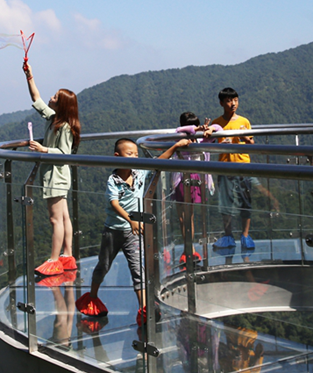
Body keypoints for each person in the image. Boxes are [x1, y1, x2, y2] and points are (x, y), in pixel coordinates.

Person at [76, 137, 191, 325]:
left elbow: (158, 161)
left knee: (138, 270)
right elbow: (113, 203)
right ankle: (92, 297)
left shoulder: (140, 172)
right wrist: (131, 220)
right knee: (103, 266)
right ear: (117, 156)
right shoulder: (112, 180)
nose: (134, 157)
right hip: (113, 231)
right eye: (129, 154)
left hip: (133, 233)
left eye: (136, 154)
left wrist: (176, 146)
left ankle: (144, 310)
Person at [24, 63, 82, 277]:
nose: (52, 97)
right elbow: (37, 100)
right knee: (64, 217)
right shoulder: (54, 119)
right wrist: (29, 76)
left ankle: (54, 260)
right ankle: (67, 256)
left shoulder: (64, 127)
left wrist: (43, 149)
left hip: (55, 176)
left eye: (56, 97)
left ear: (62, 105)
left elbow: (64, 153)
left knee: (55, 219)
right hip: (56, 176)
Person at [211, 87, 258, 250]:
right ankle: (228, 235)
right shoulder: (216, 123)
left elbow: (252, 144)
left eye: (235, 100)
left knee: (246, 201)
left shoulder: (244, 121)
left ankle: (245, 235)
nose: (233, 104)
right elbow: (210, 145)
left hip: (243, 165)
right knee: (226, 203)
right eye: (229, 101)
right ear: (222, 103)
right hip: (225, 166)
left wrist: (245, 138)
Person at [173, 112, 222, 267]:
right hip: (182, 178)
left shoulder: (203, 138)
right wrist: (195, 129)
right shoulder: (180, 137)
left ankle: (190, 249)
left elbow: (219, 128)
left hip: (193, 179)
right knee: (183, 217)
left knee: (189, 216)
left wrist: (210, 129)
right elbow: (175, 131)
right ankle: (189, 248)